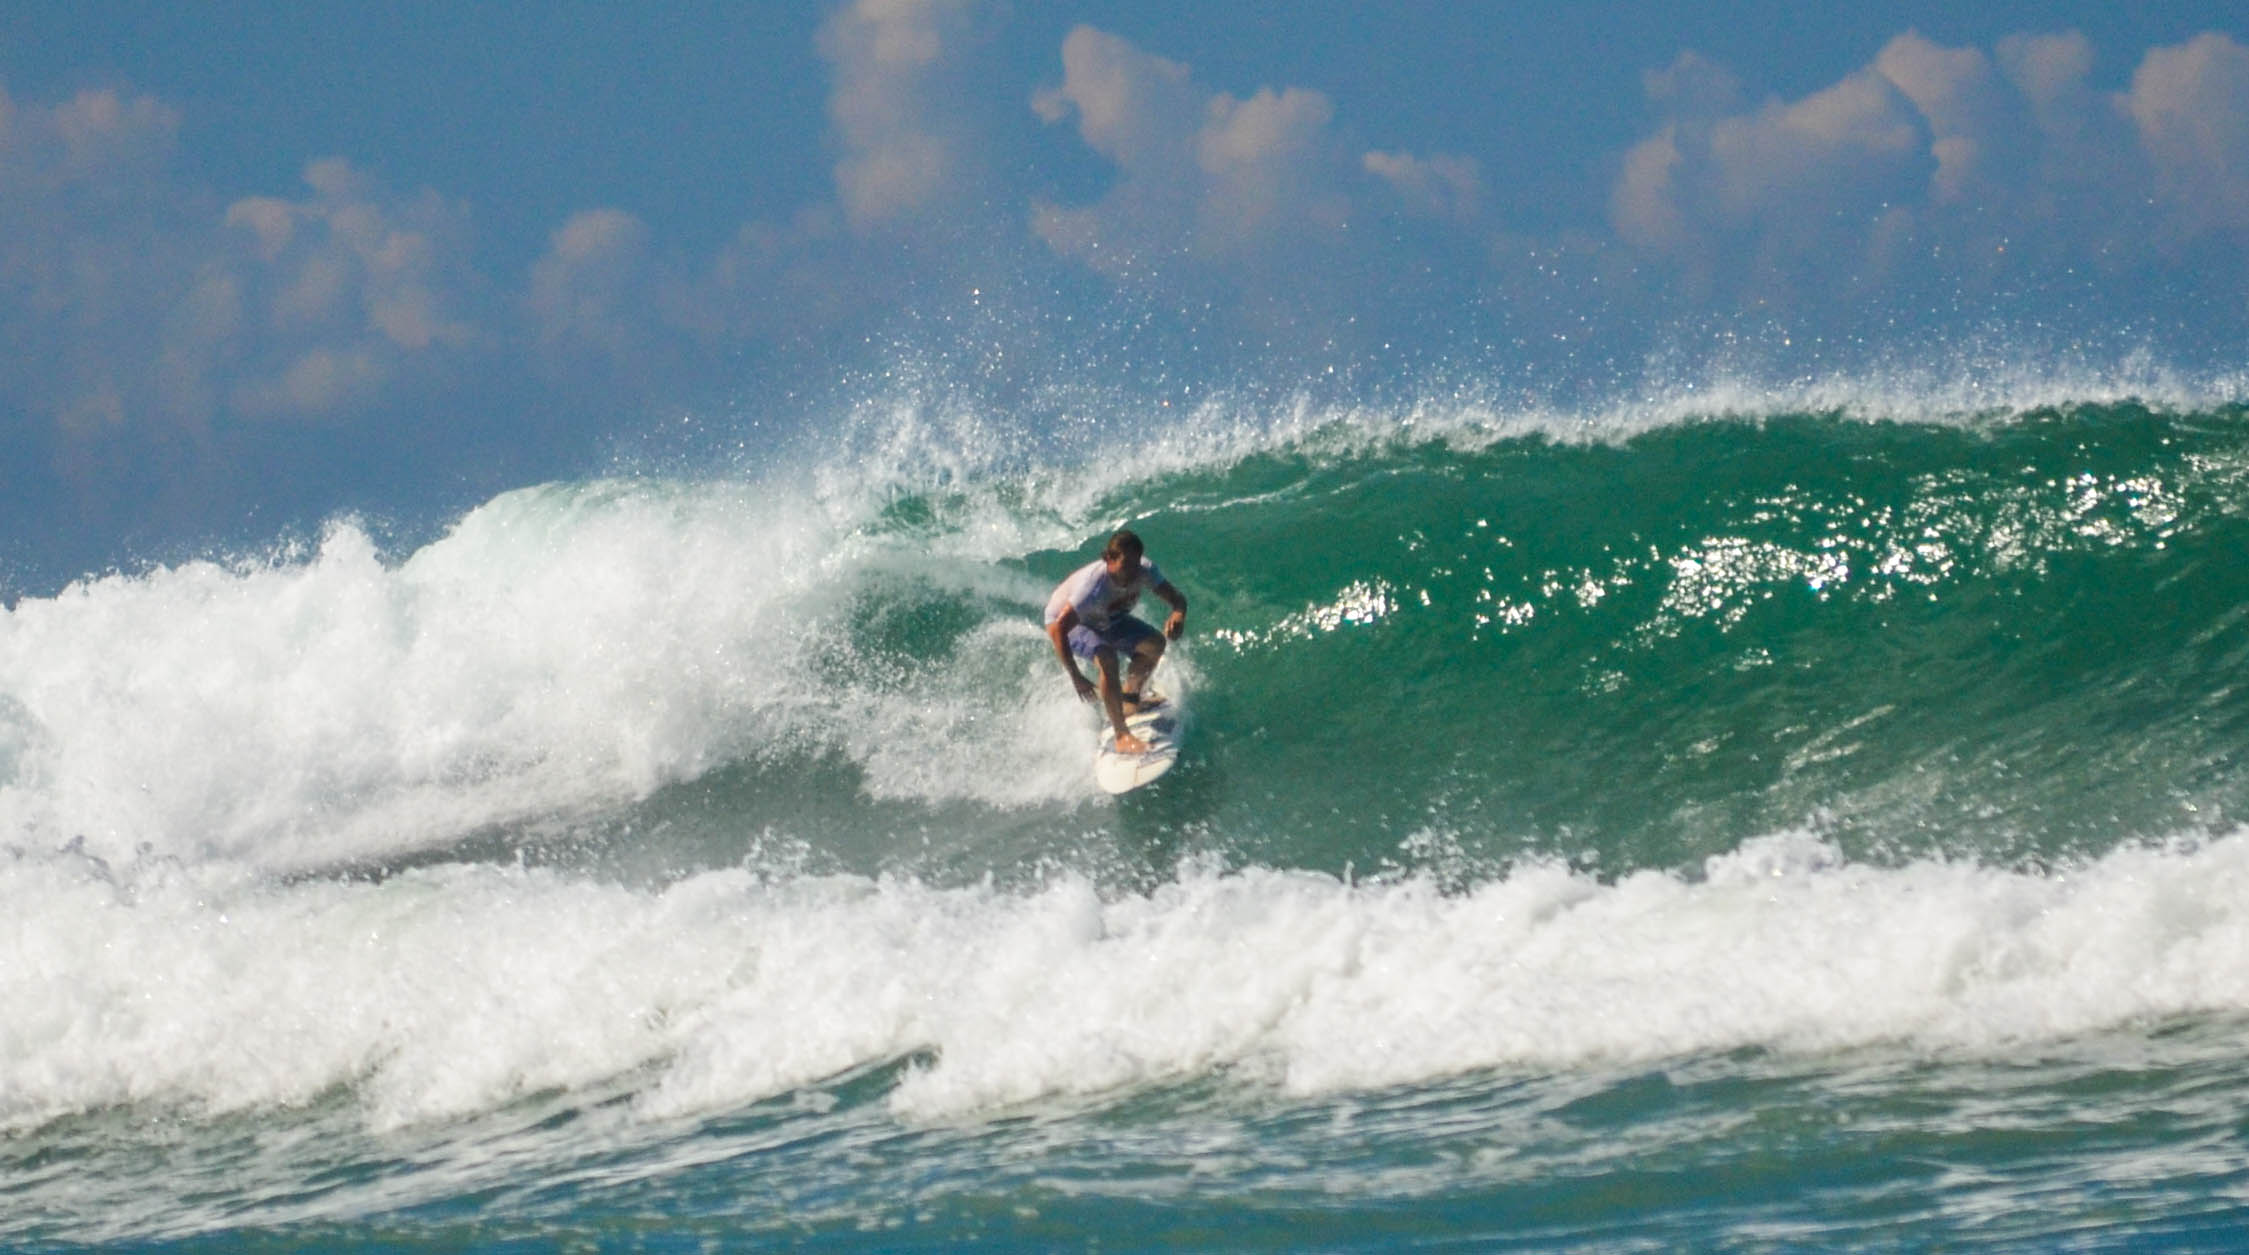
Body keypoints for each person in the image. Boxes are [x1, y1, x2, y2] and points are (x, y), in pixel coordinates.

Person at [1044, 528, 1187, 754]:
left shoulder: (1144, 571)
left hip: (1107, 618)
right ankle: (1122, 736)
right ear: (1108, 559)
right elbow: (1058, 630)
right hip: (1071, 624)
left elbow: (1178, 600)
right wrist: (1076, 677)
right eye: (1126, 564)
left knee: (1154, 645)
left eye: (1136, 563)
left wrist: (1178, 614)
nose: (1132, 572)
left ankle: (1129, 698)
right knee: (1107, 659)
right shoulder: (1091, 588)